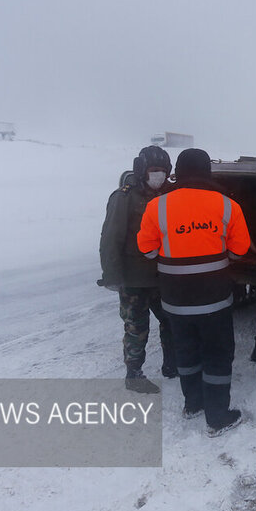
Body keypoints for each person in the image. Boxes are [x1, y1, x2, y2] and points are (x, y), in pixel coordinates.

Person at [137, 148, 251, 436]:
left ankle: (193, 405)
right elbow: (239, 250)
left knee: (186, 351)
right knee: (217, 352)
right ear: (207, 171)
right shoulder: (228, 206)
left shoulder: (157, 207)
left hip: (175, 299)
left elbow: (148, 250)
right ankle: (217, 416)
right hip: (214, 298)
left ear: (178, 171)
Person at [98, 146, 177, 393]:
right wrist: (112, 275)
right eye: (154, 171)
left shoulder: (169, 195)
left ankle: (171, 364)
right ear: (142, 170)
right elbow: (111, 239)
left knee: (171, 321)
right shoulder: (124, 198)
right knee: (136, 327)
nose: (159, 176)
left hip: (162, 275)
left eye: (163, 171)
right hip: (134, 278)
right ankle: (134, 374)